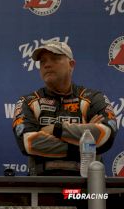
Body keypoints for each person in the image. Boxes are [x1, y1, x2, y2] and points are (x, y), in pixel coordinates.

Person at [12, 41, 118, 176]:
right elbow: (29, 143)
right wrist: (86, 139)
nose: (47, 64)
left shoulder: (93, 97)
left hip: (88, 184)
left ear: (71, 65)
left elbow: (105, 135)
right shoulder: (27, 101)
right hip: (41, 185)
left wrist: (56, 129)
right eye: (42, 61)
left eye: (55, 59)